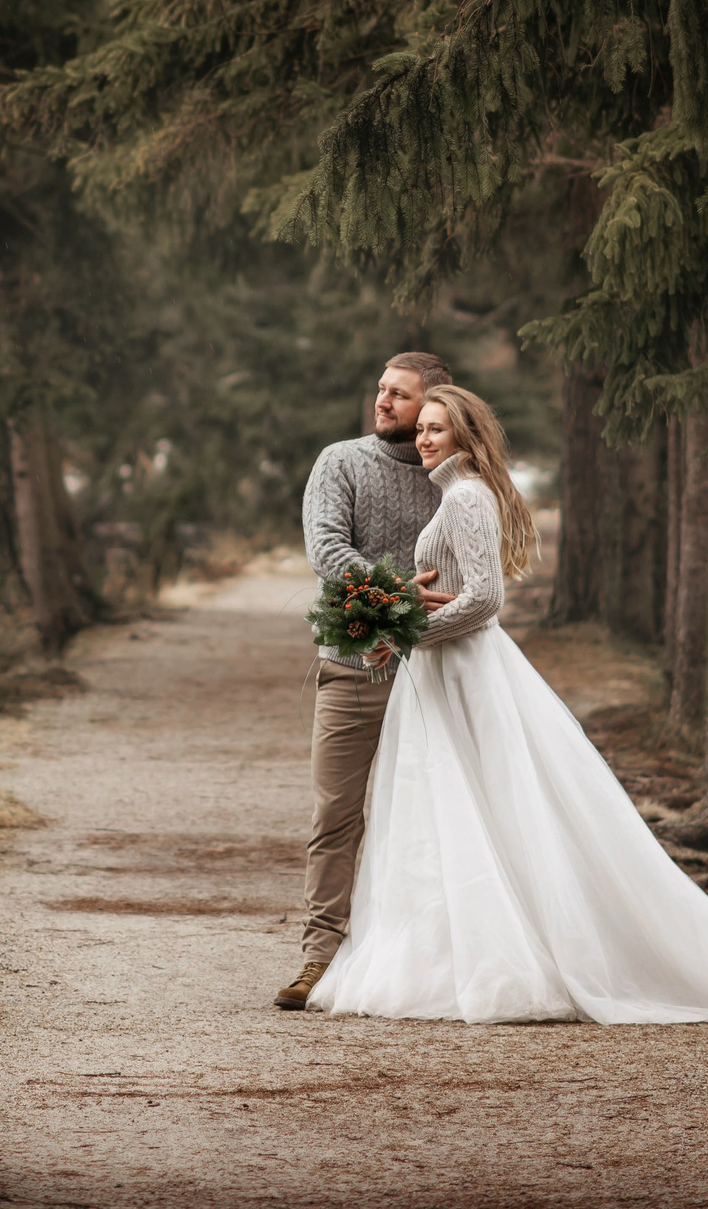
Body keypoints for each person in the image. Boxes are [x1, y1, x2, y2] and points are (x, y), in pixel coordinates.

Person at [307, 384, 708, 1024]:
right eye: (420, 429)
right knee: (446, 810)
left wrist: (406, 633)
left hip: (464, 671)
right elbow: (456, 593)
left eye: (436, 429)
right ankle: (445, 957)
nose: (423, 439)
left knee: (487, 806)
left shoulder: (469, 496)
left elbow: (485, 602)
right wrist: (401, 624)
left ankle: (507, 959)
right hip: (441, 671)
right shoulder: (454, 495)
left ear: (466, 435)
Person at [274, 352, 452, 1011]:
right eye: (381, 389)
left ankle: (423, 961)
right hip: (352, 670)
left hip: (435, 674)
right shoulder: (341, 462)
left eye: (400, 394)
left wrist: (412, 627)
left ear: (435, 405)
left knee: (431, 820)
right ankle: (319, 957)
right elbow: (325, 549)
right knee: (336, 815)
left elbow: (471, 571)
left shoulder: (452, 477)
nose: (383, 401)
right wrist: (395, 595)